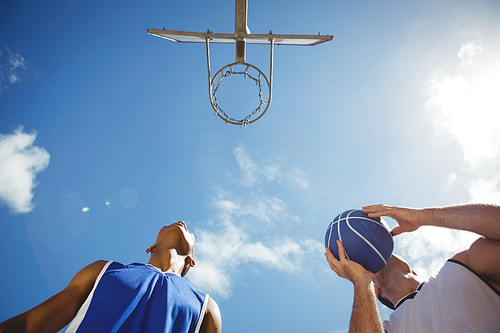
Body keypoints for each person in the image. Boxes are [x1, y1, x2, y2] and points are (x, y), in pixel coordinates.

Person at [0, 221, 222, 333]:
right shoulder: (103, 270)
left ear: (191, 260)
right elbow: (31, 325)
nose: (182, 222)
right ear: (150, 247)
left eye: (190, 231)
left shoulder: (206, 308)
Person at [325, 203, 500, 332]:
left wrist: (421, 217)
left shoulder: (459, 270)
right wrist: (362, 283)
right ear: (376, 291)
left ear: (413, 271)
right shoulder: (387, 328)